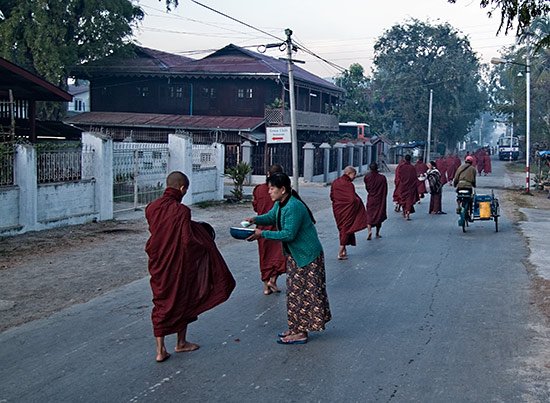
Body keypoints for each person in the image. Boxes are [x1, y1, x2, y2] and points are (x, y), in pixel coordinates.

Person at [145, 171, 236, 363]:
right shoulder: (182, 211)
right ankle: (181, 342)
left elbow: (158, 232)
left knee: (161, 300)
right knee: (183, 298)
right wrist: (204, 244)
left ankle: (160, 350)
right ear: (182, 188)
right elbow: (186, 240)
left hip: (159, 261)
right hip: (178, 262)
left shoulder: (151, 208)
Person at [246, 173, 331, 345]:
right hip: (295, 255)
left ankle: (301, 332)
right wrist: (255, 219)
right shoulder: (281, 203)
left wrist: (262, 234)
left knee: (303, 295)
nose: (269, 192)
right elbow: (271, 217)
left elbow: (289, 234)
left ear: (282, 189)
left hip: (307, 256)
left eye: (272, 188)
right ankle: (295, 328)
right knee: (294, 294)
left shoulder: (293, 206)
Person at [252, 164, 286, 295]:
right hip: (277, 226)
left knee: (265, 256)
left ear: (268, 174)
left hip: (262, 227)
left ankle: (266, 286)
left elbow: (255, 206)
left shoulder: (259, 189)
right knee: (278, 256)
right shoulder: (282, 190)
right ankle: (273, 280)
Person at [330, 166, 369, 260]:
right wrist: (358, 203)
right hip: (348, 210)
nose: (354, 177)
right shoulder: (348, 185)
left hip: (338, 209)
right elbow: (352, 199)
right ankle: (340, 252)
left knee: (342, 228)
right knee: (346, 229)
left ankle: (344, 251)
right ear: (348, 173)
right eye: (354, 174)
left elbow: (332, 196)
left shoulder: (335, 182)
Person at [363, 162, 388, 239]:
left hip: (371, 198)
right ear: (377, 168)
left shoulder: (367, 177)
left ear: (370, 168)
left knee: (369, 214)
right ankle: (377, 233)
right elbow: (385, 189)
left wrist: (371, 193)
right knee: (379, 215)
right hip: (380, 199)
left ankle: (369, 231)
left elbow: (367, 187)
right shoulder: (382, 178)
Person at [396, 154, 420, 220]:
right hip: (410, 187)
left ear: (405, 159)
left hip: (403, 186)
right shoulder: (412, 167)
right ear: (410, 159)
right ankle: (408, 214)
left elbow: (399, 176)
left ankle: (404, 212)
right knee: (409, 200)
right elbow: (414, 177)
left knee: (403, 199)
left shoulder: (401, 167)